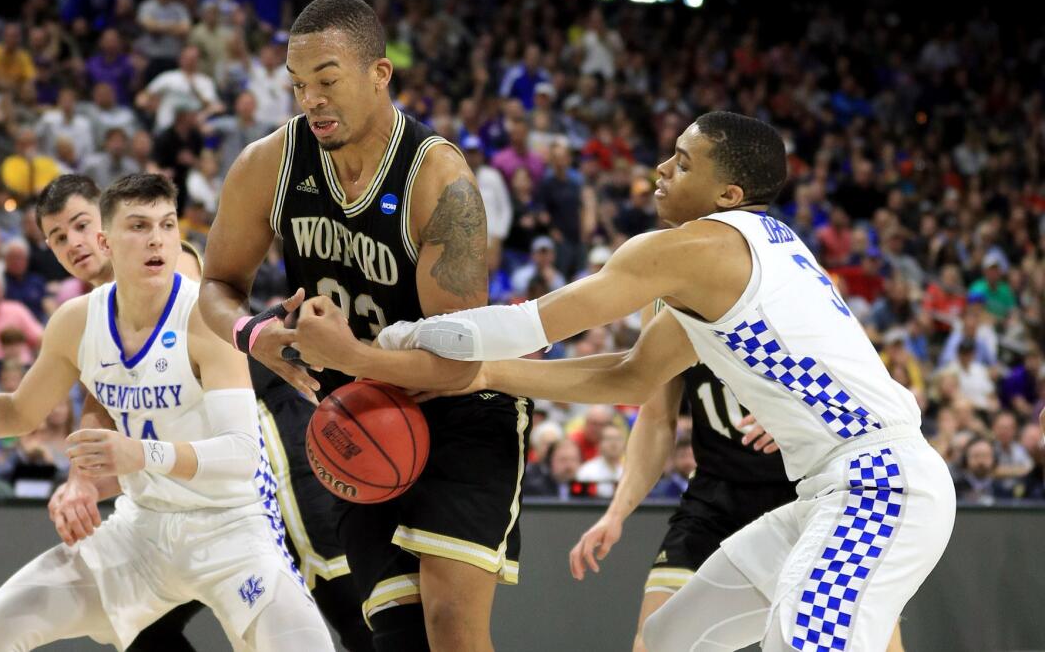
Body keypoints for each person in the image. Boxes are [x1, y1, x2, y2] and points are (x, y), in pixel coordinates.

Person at [295, 111, 956, 651]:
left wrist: (380, 346)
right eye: (671, 152)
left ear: (729, 194)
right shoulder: (734, 265)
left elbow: (529, 322)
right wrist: (487, 377)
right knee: (669, 639)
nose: (662, 168)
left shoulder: (695, 248)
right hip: (830, 490)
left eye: (685, 161)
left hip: (880, 482)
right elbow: (628, 375)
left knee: (804, 644)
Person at [0, 174, 333, 651]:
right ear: (108, 241)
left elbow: (242, 455)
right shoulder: (76, 321)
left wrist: (138, 454)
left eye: (167, 225)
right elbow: (16, 413)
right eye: (140, 226)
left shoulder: (205, 317)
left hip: (229, 526)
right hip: (142, 527)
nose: (156, 239)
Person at [199, 0, 530, 652]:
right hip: (357, 414)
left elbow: (461, 361)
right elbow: (215, 287)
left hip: (462, 411)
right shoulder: (269, 163)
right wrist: (252, 333)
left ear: (380, 74)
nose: (311, 99)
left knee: (453, 628)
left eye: (327, 79)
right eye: (298, 85)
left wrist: (349, 352)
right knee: (395, 636)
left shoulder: (440, 180)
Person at [35, 174, 365, 651]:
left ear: (106, 224)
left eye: (81, 225)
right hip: (190, 492)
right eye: (58, 237)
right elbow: (104, 394)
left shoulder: (172, 265)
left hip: (266, 442)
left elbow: (155, 375)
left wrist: (85, 475)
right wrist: (81, 476)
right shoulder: (97, 313)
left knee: (339, 596)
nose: (75, 243)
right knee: (142, 625)